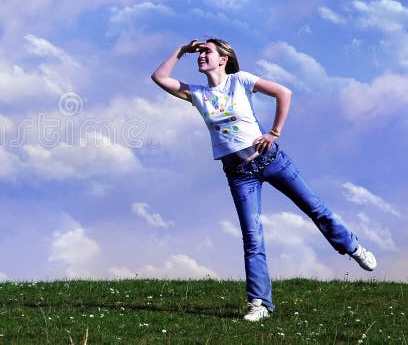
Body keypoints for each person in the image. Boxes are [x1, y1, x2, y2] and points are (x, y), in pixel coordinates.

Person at [150, 37, 377, 322]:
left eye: (207, 51)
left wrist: (274, 132)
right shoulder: (197, 94)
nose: (201, 55)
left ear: (223, 59)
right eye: (199, 52)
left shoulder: (240, 80)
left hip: (272, 161)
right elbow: (159, 77)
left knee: (314, 207)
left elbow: (284, 93)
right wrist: (182, 51)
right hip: (238, 174)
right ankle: (259, 304)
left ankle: (353, 247)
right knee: (253, 237)